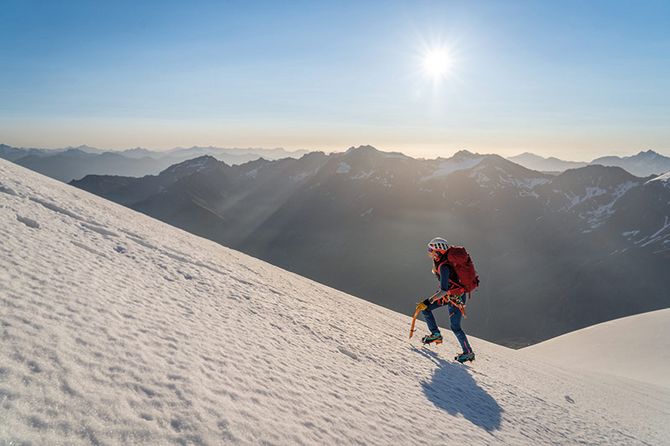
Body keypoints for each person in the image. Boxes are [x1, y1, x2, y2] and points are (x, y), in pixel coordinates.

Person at [421, 237, 475, 363]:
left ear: (439, 250)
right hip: (450, 296)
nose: (430, 252)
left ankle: (468, 353)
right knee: (426, 310)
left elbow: (444, 290)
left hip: (455, 297)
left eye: (431, 249)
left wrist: (429, 300)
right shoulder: (441, 262)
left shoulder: (444, 266)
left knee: (455, 326)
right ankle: (436, 335)